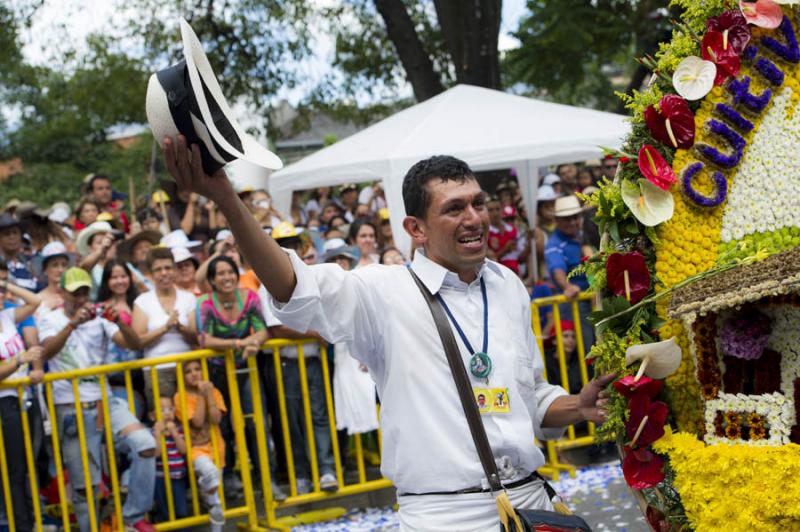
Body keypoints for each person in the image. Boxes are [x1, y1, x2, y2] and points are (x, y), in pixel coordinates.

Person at [164, 138, 612, 530]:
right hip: (443, 518)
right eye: (454, 209)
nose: (474, 217)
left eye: (478, 203)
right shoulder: (381, 291)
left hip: (531, 505)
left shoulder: (508, 285)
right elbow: (291, 285)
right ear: (415, 229)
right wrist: (225, 196)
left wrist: (577, 405)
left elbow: (530, 397)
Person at [39, 267, 155, 532]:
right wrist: (72, 325)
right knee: (85, 487)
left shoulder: (100, 318)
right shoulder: (50, 319)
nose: (81, 298)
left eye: (84, 292)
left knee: (146, 445)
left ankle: (132, 514)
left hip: (105, 401)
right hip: (71, 407)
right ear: (62, 292)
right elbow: (46, 352)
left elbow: (134, 344)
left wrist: (120, 322)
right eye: (75, 293)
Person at [191, 255, 271, 495]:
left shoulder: (250, 297)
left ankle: (266, 478)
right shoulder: (205, 303)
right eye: (220, 274)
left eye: (230, 272)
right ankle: (228, 479)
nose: (226, 278)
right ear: (212, 280)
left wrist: (254, 342)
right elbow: (204, 338)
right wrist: (239, 342)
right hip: (216, 371)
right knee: (222, 426)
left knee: (255, 423)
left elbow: (263, 330)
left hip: (246, 369)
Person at [0, 277, 44, 532]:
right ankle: (23, 526)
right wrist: (19, 360)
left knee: (26, 466)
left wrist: (5, 285)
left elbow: (35, 300)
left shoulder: (6, 316)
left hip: (22, 397)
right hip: (4, 404)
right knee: (14, 471)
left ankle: (31, 522)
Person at [132, 248, 197, 411]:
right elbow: (138, 341)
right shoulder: (142, 301)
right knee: (166, 425)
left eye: (168, 268)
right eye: (158, 269)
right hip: (157, 370)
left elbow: (197, 336)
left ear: (175, 270)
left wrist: (180, 327)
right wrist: (165, 328)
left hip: (189, 368)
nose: (164, 273)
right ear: (151, 274)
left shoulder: (188, 298)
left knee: (195, 420)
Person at [173, 359, 226, 531]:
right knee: (210, 476)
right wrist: (202, 395)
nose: (194, 373)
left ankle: (216, 525)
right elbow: (196, 422)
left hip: (217, 448)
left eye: (197, 369)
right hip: (196, 449)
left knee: (215, 496)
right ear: (182, 377)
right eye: (188, 371)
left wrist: (209, 394)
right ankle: (212, 501)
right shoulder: (180, 396)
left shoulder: (214, 391)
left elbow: (215, 418)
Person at [544, 195, 594, 350]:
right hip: (575, 302)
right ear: (557, 221)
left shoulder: (583, 234)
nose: (572, 222)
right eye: (567, 219)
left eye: (575, 217)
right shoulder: (554, 244)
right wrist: (567, 287)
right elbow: (556, 268)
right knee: (588, 346)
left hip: (594, 298)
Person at [97, 259, 145, 418]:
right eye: (114, 277)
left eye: (123, 276)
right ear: (106, 281)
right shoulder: (102, 308)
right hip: (116, 376)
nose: (120, 281)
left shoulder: (140, 303)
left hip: (143, 370)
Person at [151, 396, 188, 523]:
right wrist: (158, 435)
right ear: (152, 416)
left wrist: (174, 433)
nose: (167, 413)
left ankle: (180, 524)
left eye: (170, 409)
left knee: (180, 510)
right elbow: (156, 454)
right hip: (160, 477)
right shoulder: (153, 432)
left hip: (177, 476)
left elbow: (183, 450)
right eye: (162, 410)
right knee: (165, 510)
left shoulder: (179, 429)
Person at [0, 213, 37, 291]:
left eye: (15, 233)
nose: (12, 237)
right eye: (7, 234)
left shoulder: (31, 262)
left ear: (20, 236)